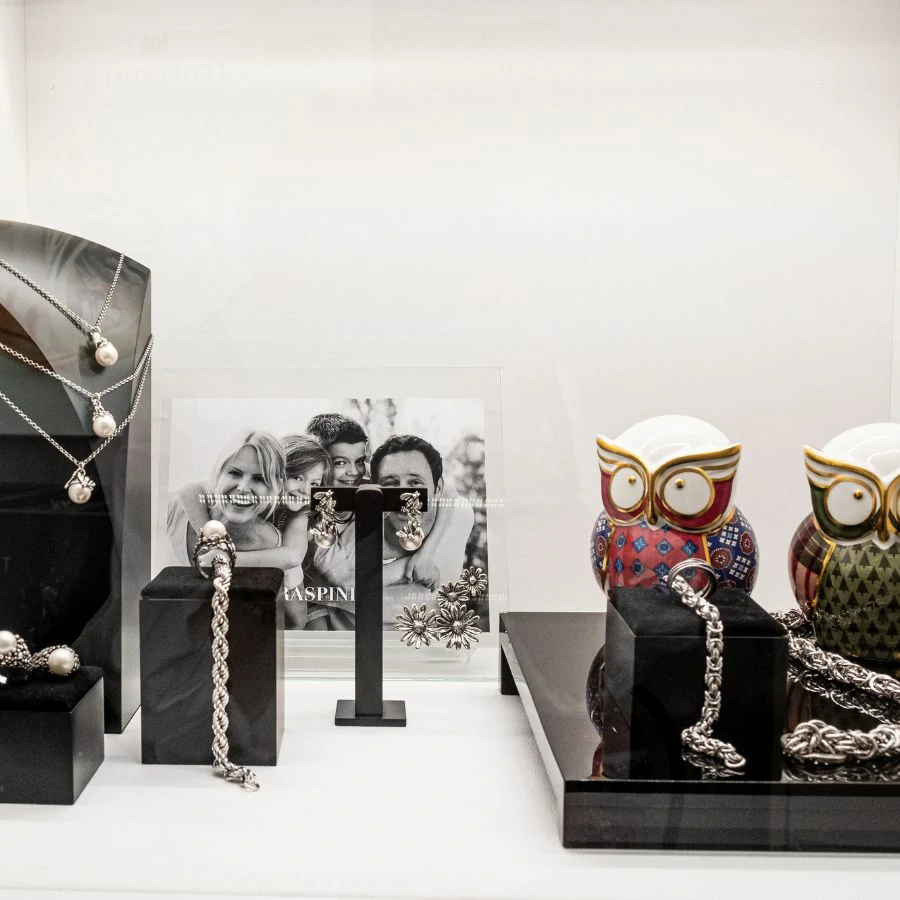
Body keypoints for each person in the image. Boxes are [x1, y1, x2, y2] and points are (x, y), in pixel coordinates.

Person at [371, 434, 474, 625]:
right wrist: (408, 565)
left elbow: (449, 491)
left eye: (415, 483)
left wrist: (426, 553)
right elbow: (342, 590)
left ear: (437, 488)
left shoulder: (460, 515)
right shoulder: (357, 529)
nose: (404, 497)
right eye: (391, 483)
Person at [167, 430, 285, 565]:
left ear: (277, 487)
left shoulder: (273, 548)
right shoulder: (170, 509)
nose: (243, 488)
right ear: (217, 474)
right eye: (234, 473)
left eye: (260, 479)